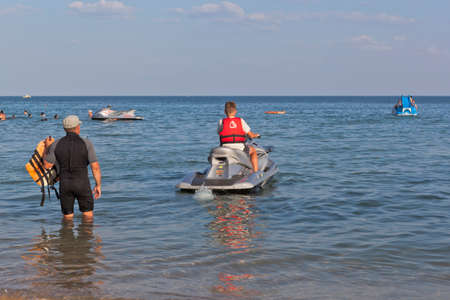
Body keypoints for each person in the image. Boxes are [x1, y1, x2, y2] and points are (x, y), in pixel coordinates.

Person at [44, 115, 101, 220]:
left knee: (67, 219)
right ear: (77, 127)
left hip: (65, 185)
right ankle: (86, 235)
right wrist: (98, 185)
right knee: (88, 218)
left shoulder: (56, 144)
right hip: (82, 185)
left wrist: (47, 147)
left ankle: (66, 235)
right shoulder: (86, 143)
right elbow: (95, 167)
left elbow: (47, 165)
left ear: (65, 129)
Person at [218, 101, 260, 173]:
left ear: (225, 112)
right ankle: (255, 172)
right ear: (235, 111)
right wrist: (256, 135)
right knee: (253, 151)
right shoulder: (240, 121)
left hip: (225, 148)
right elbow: (251, 135)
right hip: (240, 149)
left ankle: (219, 172)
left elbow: (219, 132)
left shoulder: (221, 121)